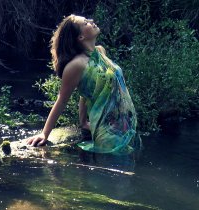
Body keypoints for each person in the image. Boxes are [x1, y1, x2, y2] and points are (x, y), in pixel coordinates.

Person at [26, 15, 137, 154]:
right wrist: (44, 134)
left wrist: (83, 122)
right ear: (80, 37)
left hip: (125, 126)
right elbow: (61, 100)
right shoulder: (75, 65)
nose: (91, 21)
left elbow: (87, 91)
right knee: (113, 173)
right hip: (107, 132)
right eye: (85, 23)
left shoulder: (101, 52)